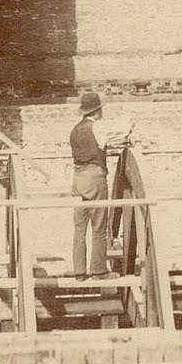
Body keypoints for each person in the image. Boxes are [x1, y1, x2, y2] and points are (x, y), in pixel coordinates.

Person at [68, 89, 128, 279]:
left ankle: (79, 272)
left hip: (77, 180)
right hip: (95, 179)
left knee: (79, 229)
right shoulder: (98, 127)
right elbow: (123, 131)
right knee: (99, 227)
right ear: (97, 111)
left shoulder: (75, 130)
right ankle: (98, 271)